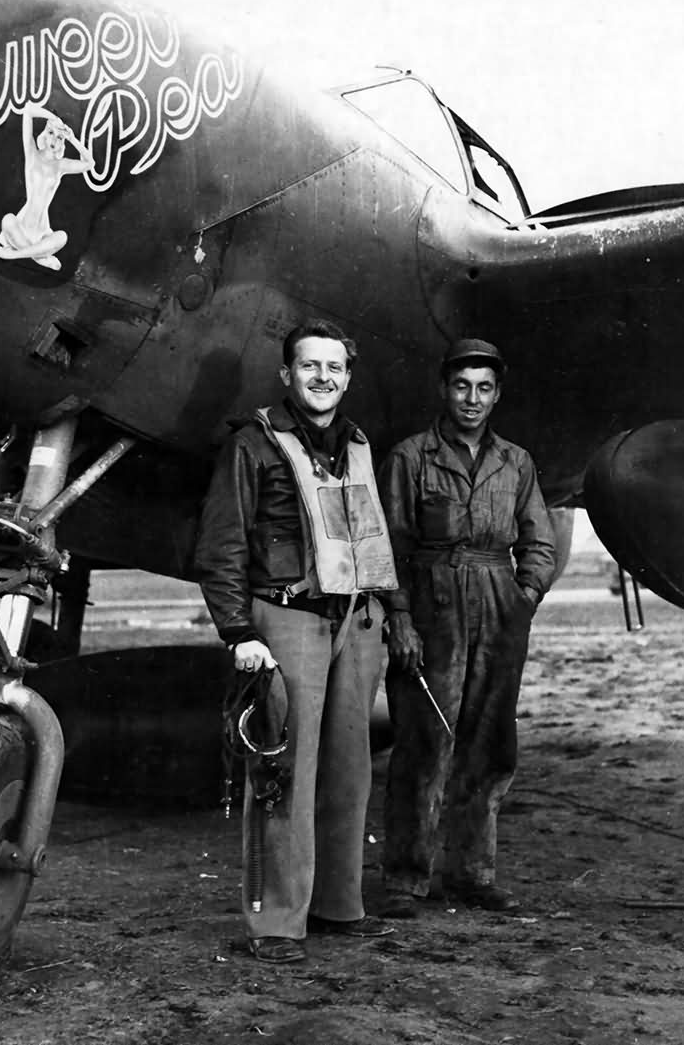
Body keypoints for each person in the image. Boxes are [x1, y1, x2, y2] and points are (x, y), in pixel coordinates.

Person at [194, 318, 398, 963]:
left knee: (349, 771)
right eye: (309, 367)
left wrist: (388, 618)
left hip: (358, 622)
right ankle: (278, 922)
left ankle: (340, 905)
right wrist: (237, 633)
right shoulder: (252, 445)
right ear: (287, 375)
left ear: (348, 377)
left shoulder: (360, 446)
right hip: (286, 623)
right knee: (283, 772)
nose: (323, 378)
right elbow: (221, 548)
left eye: (335, 368)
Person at [378, 338, 556, 918]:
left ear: (497, 394)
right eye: (461, 386)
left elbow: (540, 541)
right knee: (424, 741)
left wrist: (522, 597)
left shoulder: (517, 462)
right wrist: (400, 618)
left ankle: (471, 874)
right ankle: (406, 878)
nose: (472, 399)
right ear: (443, 389)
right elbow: (389, 548)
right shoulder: (410, 457)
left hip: (498, 604)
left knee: (490, 743)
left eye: (483, 388)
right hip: (432, 604)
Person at [0, 105, 94, 270]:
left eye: (59, 137)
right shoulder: (32, 154)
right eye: (51, 133)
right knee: (7, 220)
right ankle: (39, 258)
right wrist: (53, 118)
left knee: (62, 237)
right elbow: (28, 110)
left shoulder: (60, 165)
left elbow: (90, 163)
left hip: (42, 230)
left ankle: (10, 253)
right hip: (20, 227)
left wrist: (72, 138)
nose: (53, 140)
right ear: (45, 134)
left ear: (62, 142)